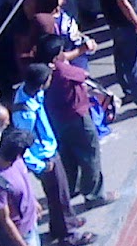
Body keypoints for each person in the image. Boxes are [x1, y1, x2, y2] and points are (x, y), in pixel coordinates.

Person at [10, 64, 94, 246]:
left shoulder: (30, 94)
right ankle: (68, 234)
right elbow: (22, 145)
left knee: (57, 195)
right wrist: (39, 165)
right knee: (60, 195)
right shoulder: (25, 112)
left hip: (50, 151)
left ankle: (60, 225)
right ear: (42, 84)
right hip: (45, 159)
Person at [35, 35, 112, 208]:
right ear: (56, 56)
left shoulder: (40, 71)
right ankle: (94, 195)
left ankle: (70, 188)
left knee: (67, 156)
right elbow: (83, 75)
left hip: (56, 120)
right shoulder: (62, 70)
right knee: (90, 155)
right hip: (76, 118)